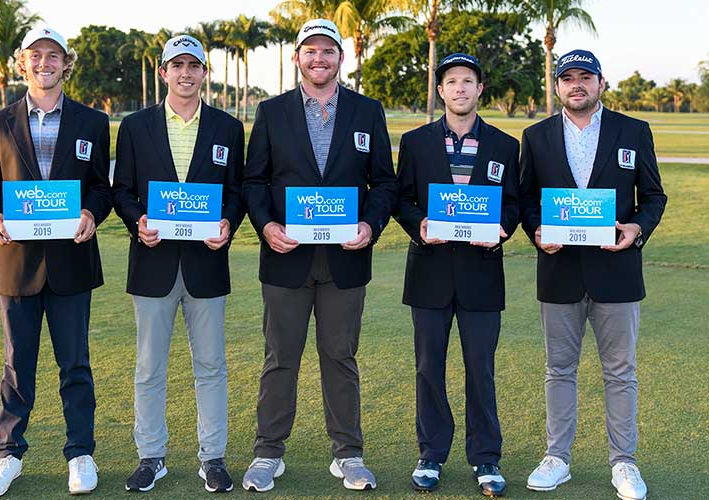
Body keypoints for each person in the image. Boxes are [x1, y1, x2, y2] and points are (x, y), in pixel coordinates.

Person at [240, 18, 397, 493]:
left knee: (341, 357)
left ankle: (348, 453)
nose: (319, 59)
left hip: (345, 262)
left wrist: (370, 225)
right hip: (287, 257)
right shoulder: (272, 112)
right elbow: (253, 181)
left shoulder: (367, 112)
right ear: (297, 58)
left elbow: (384, 182)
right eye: (310, 51)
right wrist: (267, 226)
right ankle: (268, 452)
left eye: (328, 51)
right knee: (280, 358)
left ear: (340, 58)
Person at [519, 49, 667, 500]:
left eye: (586, 77)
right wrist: (537, 230)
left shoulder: (633, 131)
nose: (577, 85)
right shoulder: (536, 135)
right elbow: (525, 200)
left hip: (616, 271)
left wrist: (637, 228)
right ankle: (557, 458)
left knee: (621, 372)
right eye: (568, 78)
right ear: (558, 86)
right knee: (558, 370)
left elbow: (654, 197)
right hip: (559, 272)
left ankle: (624, 463)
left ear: (601, 83)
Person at [0, 26, 111, 498]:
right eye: (36, 56)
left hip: (71, 261)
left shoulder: (92, 122)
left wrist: (92, 211)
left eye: (54, 56)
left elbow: (100, 186)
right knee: (17, 364)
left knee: (75, 364)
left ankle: (81, 454)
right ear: (22, 63)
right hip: (17, 261)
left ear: (65, 64)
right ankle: (8, 455)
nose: (45, 63)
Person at [111, 33, 245, 494]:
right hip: (153, 263)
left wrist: (227, 222)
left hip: (206, 265)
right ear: (163, 72)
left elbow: (237, 192)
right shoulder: (135, 126)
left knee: (211, 365)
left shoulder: (227, 128)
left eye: (194, 65)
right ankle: (151, 456)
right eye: (177, 65)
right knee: (149, 367)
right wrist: (137, 221)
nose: (186, 73)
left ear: (205, 72)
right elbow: (122, 190)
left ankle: (213, 458)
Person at [394, 53, 518, 497]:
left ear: (479, 89)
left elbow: (513, 204)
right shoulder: (416, 141)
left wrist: (503, 228)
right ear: (441, 90)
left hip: (481, 274)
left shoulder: (505, 145)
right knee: (429, 368)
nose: (460, 88)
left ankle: (486, 458)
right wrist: (418, 225)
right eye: (452, 81)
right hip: (429, 273)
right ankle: (431, 453)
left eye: (469, 80)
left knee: (479, 369)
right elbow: (402, 199)